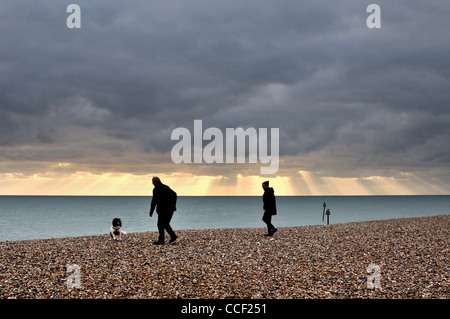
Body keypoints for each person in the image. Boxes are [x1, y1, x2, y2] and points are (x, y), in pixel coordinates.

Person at [149, 176, 178, 245]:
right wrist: (173, 205)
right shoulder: (166, 187)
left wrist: (151, 211)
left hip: (163, 210)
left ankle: (162, 240)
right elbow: (175, 194)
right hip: (170, 209)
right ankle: (173, 236)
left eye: (153, 182)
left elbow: (154, 201)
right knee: (165, 224)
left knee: (160, 224)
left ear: (154, 182)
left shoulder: (156, 189)